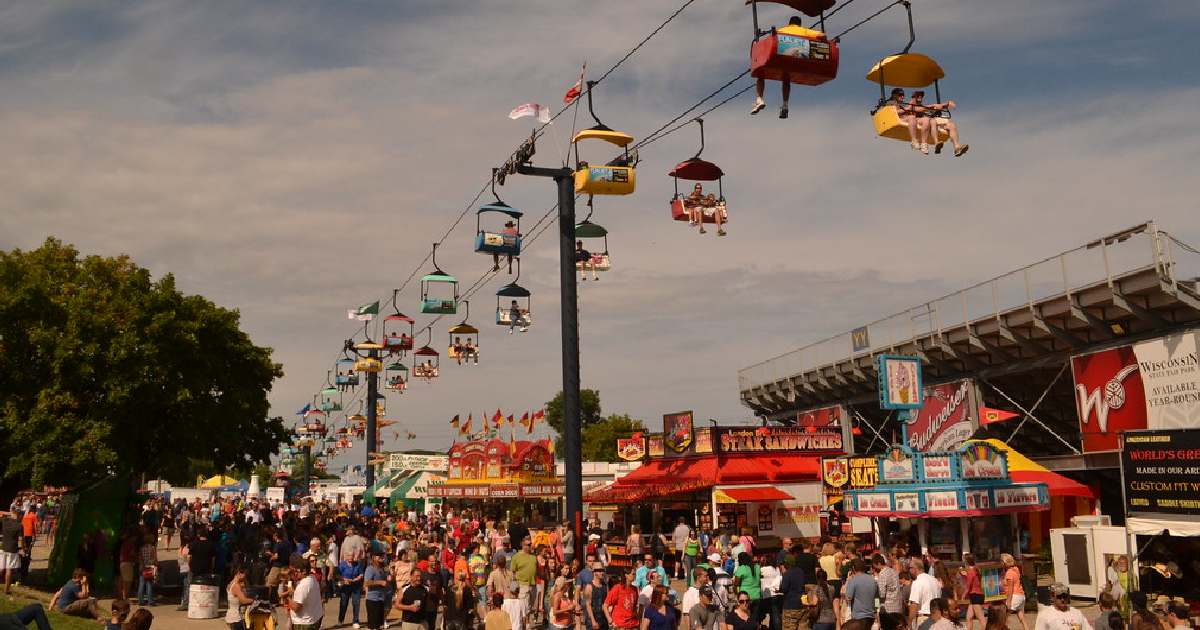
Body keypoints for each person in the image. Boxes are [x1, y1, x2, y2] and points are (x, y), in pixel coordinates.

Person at [751, 16, 807, 119]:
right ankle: (785, 104)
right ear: (800, 24)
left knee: (760, 73)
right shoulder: (805, 31)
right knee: (786, 78)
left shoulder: (782, 30)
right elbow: (820, 35)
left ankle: (759, 99)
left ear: (790, 23)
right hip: (797, 60)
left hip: (781, 57)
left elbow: (773, 38)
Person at [779, 552, 809, 630]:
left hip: (790, 606)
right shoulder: (801, 571)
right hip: (802, 604)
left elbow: (784, 588)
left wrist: (779, 588)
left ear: (787, 563)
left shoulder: (787, 574)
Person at [845, 558, 879, 626]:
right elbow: (877, 599)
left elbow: (848, 597)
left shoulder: (853, 580)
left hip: (858, 616)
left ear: (853, 568)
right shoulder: (873, 580)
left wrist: (848, 582)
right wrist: (876, 612)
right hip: (871, 616)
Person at [909, 558, 940, 629]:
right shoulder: (934, 580)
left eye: (910, 568)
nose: (909, 570)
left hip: (924, 619)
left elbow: (914, 605)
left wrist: (909, 623)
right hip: (937, 618)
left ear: (915, 568)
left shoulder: (917, 582)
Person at [337, 553, 365, 628]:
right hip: (345, 586)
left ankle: (355, 621)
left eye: (352, 556)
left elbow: (361, 574)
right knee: (344, 603)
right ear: (346, 556)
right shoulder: (342, 564)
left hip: (356, 586)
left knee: (356, 603)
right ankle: (341, 620)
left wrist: (357, 578)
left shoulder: (358, 564)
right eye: (349, 555)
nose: (351, 557)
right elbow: (337, 574)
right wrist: (343, 579)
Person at [365, 553, 392, 630]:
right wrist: (380, 582)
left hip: (381, 599)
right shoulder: (370, 569)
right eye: (379, 555)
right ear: (373, 557)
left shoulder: (383, 569)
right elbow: (366, 583)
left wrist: (390, 576)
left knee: (379, 625)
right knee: (372, 626)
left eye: (382, 556)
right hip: (372, 600)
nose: (381, 557)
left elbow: (388, 580)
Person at [1001, 554, 1027, 630]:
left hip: (1014, 596)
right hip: (1021, 596)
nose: (1000, 563)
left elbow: (1010, 589)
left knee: (1003, 616)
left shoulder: (1009, 573)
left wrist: (1008, 602)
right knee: (1021, 615)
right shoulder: (1016, 569)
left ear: (1004, 563)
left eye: (1001, 561)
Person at [224, 565, 253, 630]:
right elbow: (243, 600)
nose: (246, 576)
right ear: (239, 573)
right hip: (237, 618)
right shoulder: (236, 586)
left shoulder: (230, 584)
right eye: (246, 573)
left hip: (231, 616)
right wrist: (255, 600)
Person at [961, 554, 985, 630]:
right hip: (977, 595)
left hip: (975, 595)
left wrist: (963, 596)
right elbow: (975, 582)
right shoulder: (976, 569)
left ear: (966, 561)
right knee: (969, 617)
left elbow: (968, 586)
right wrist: (965, 575)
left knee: (981, 618)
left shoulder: (971, 571)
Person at [0, 511, 22, 594]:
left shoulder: (5, 522)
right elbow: (20, 540)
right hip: (12, 549)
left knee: (1, 568)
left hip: (3, 548)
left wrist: (9, 513)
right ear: (19, 516)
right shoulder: (19, 525)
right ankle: (6, 589)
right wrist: (23, 548)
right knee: (9, 570)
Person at [583, 563, 610, 630]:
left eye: (602, 570)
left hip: (603, 620)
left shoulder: (605, 585)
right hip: (592, 620)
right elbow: (588, 605)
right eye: (599, 571)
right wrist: (593, 621)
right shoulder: (589, 587)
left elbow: (606, 602)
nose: (602, 573)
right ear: (594, 572)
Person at [137, 530, 158, 606]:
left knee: (141, 584)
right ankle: (150, 601)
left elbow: (140, 558)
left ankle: (140, 601)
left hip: (143, 567)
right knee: (149, 584)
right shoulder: (153, 548)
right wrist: (156, 564)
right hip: (150, 567)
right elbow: (155, 558)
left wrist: (141, 565)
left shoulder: (141, 548)